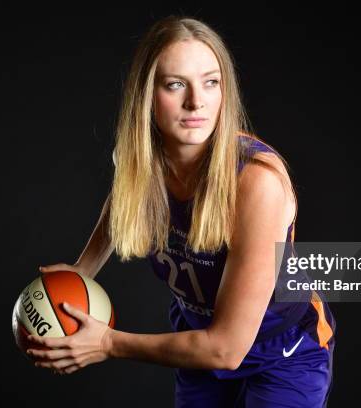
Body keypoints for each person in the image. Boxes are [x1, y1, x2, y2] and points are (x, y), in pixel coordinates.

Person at [27, 15, 336, 407]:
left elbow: (226, 348)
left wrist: (106, 342)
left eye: (211, 82)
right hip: (198, 339)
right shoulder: (139, 160)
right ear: (146, 94)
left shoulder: (257, 183)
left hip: (282, 352)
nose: (196, 102)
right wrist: (82, 269)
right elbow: (123, 199)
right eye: (176, 85)